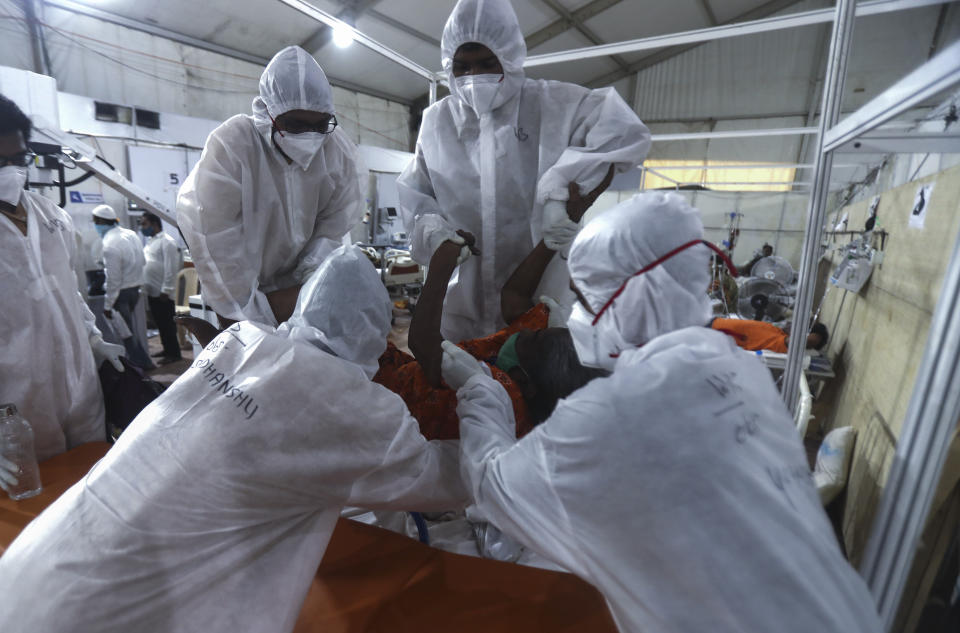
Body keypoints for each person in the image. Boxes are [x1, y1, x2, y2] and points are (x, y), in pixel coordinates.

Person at [440, 192, 881, 632]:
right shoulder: (734, 364)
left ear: (634, 298)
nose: (576, 316)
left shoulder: (617, 411)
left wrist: (481, 394)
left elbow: (493, 487)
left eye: (584, 298)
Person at [0, 246, 468, 633]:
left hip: (30, 569)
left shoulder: (240, 343)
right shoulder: (351, 403)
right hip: (106, 615)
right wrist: (484, 396)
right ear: (377, 334)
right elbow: (451, 480)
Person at [397, 0, 651, 342]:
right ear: (447, 65)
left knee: (534, 385)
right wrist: (435, 234)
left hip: (538, 306)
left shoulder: (553, 105)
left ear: (511, 56)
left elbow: (624, 131)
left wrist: (557, 195)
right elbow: (418, 197)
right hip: (460, 312)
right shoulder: (437, 122)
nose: (474, 78)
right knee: (467, 389)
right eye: (462, 67)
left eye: (487, 64)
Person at [178, 45, 363, 328]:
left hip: (299, 296)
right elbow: (214, 234)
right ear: (268, 112)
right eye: (296, 124)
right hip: (239, 298)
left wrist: (310, 283)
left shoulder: (336, 150)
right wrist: (250, 314)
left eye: (320, 124)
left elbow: (334, 226)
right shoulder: (235, 145)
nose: (310, 136)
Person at [0, 94, 123, 463]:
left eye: (18, 159)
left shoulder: (52, 216)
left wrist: (94, 339)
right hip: (17, 406)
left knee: (92, 477)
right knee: (35, 509)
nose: (10, 171)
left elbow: (70, 291)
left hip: (82, 386)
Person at [93, 204, 153, 370]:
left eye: (95, 222)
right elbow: (143, 261)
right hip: (135, 290)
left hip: (120, 294)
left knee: (126, 334)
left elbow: (113, 279)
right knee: (130, 330)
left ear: (99, 221)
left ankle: (140, 367)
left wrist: (107, 304)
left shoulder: (110, 244)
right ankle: (142, 362)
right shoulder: (131, 234)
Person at [139, 212, 183, 364]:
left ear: (154, 224)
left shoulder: (167, 242)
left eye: (144, 224)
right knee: (160, 324)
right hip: (153, 291)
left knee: (168, 325)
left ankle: (174, 354)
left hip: (163, 292)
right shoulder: (151, 241)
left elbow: (171, 268)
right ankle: (167, 349)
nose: (141, 227)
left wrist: (166, 289)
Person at [711, 317, 829, 353]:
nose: (792, 322)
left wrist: (813, 338)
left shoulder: (778, 340)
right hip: (713, 324)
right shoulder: (776, 330)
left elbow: (810, 340)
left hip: (711, 333)